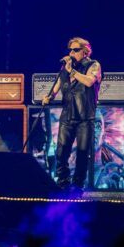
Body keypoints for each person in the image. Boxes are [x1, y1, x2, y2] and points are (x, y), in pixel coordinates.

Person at [42, 37, 102, 192]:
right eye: (70, 50)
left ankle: (77, 186)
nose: (71, 53)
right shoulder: (66, 68)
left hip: (85, 118)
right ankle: (63, 183)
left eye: (75, 50)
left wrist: (72, 72)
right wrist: (49, 97)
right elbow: (57, 86)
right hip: (67, 116)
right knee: (61, 153)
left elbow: (89, 82)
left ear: (85, 51)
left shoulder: (93, 65)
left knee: (82, 154)